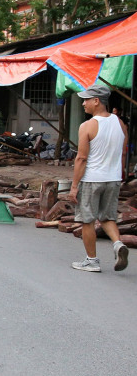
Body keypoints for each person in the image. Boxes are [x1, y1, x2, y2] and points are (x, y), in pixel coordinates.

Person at [68, 83, 129, 272]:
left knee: (88, 220)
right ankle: (118, 244)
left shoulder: (87, 126)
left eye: (86, 100)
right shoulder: (120, 124)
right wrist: (121, 174)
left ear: (97, 101)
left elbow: (81, 158)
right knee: (107, 217)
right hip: (113, 178)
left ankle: (92, 261)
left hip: (92, 179)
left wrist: (74, 186)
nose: (83, 104)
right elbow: (123, 152)